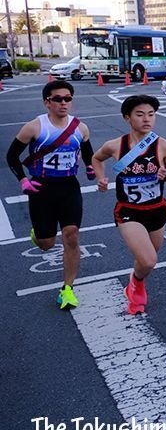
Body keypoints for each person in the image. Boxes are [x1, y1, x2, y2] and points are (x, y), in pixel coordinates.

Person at [6, 80, 94, 309]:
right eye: (58, 99)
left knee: (72, 234)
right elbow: (11, 156)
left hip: (69, 187)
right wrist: (23, 180)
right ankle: (39, 234)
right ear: (47, 102)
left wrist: (92, 168)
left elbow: (86, 151)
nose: (64, 103)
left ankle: (67, 289)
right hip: (41, 188)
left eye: (68, 98)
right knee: (46, 244)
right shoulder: (35, 127)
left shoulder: (80, 127)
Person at [92, 95, 166, 315]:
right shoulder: (115, 146)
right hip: (129, 211)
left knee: (146, 260)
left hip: (157, 210)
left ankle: (135, 280)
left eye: (151, 114)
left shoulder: (163, 146)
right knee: (149, 259)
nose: (146, 119)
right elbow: (96, 158)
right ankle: (137, 288)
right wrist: (101, 178)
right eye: (140, 115)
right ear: (127, 118)